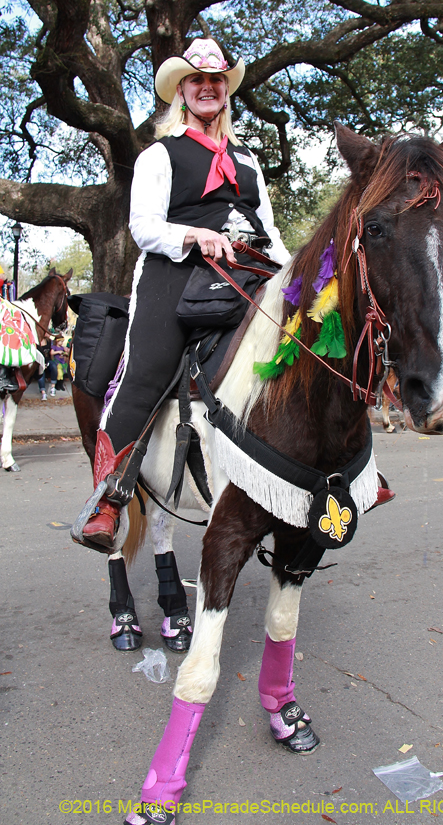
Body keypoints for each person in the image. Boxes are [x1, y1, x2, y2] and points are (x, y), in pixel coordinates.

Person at [78, 37, 291, 551]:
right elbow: (143, 227)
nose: (208, 88)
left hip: (245, 272)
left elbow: (270, 229)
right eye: (197, 80)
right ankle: (108, 498)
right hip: (175, 272)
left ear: (225, 93)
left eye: (216, 80)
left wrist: (295, 276)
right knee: (146, 371)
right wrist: (194, 235)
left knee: (305, 348)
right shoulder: (159, 154)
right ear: (181, 91)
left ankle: (341, 473)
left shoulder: (249, 163)